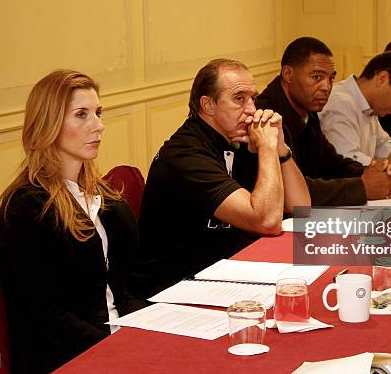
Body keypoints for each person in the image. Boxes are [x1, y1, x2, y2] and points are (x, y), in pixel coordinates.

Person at [0, 70, 146, 374]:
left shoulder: (100, 195)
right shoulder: (27, 208)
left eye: (98, 113)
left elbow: (120, 287)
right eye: (81, 115)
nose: (98, 125)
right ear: (48, 125)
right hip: (70, 355)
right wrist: (124, 347)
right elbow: (47, 318)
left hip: (116, 331)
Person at [133, 59, 310, 298]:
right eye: (239, 99)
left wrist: (280, 150)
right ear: (208, 105)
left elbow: (302, 208)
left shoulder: (238, 139)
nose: (251, 109)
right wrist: (267, 147)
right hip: (175, 289)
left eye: (252, 98)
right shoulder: (184, 155)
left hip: (227, 271)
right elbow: (267, 221)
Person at [256, 37, 391, 206]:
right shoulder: (266, 117)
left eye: (331, 78)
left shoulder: (306, 109)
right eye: (317, 77)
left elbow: (330, 162)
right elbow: (288, 190)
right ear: (288, 74)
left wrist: (371, 173)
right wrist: (361, 187)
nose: (326, 87)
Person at [320, 51, 391, 173]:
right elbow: (346, 161)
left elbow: (382, 145)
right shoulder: (341, 103)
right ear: (382, 79)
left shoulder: (368, 103)